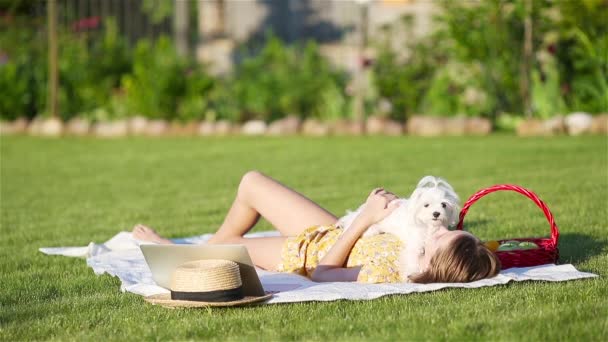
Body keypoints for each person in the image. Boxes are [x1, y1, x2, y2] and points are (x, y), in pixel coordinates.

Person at [133, 171, 500, 283]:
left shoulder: (390, 273)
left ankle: (179, 253)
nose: (438, 229)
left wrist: (367, 217)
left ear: (432, 263)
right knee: (251, 184)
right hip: (331, 228)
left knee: (229, 244)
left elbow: (324, 272)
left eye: (443, 237)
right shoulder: (417, 242)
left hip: (308, 252)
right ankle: (201, 249)